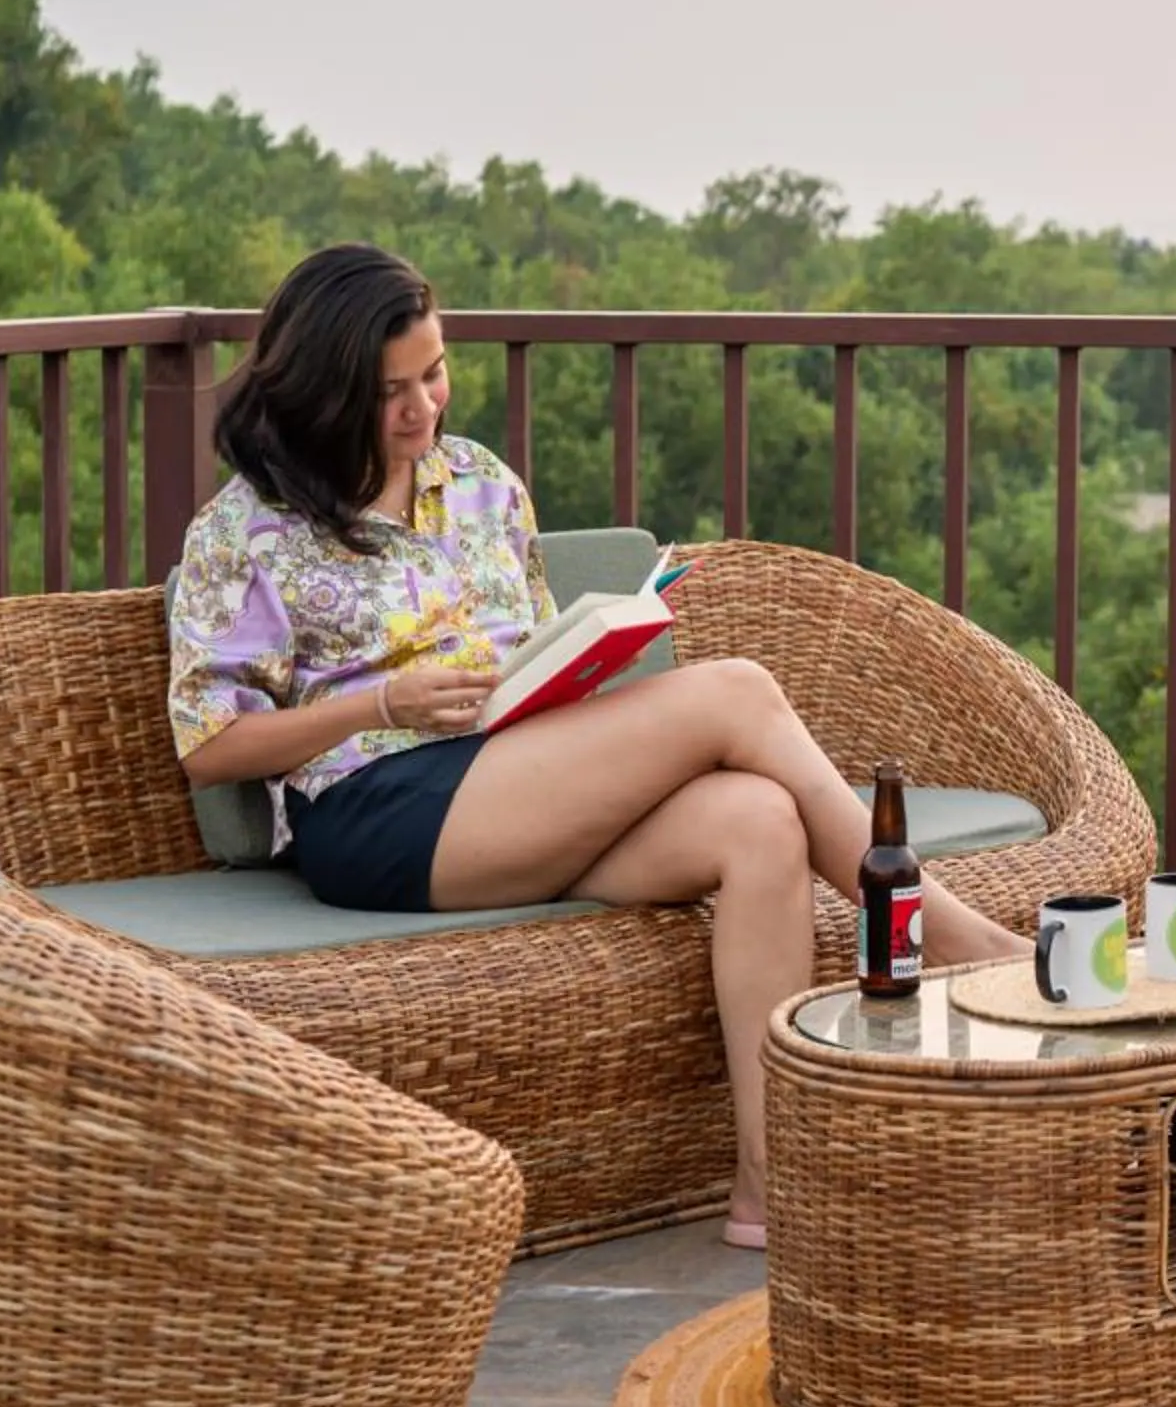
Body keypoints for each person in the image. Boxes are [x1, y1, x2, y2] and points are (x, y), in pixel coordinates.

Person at [167, 243, 1026, 1248]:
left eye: (433, 374)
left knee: (759, 823)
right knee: (738, 693)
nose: (421, 409)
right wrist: (381, 702)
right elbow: (210, 746)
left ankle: (769, 1185)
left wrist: (569, 672)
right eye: (388, 391)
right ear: (322, 393)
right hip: (379, 811)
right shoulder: (246, 529)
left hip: (517, 776)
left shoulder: (481, 483)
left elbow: (530, 648)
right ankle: (957, 941)